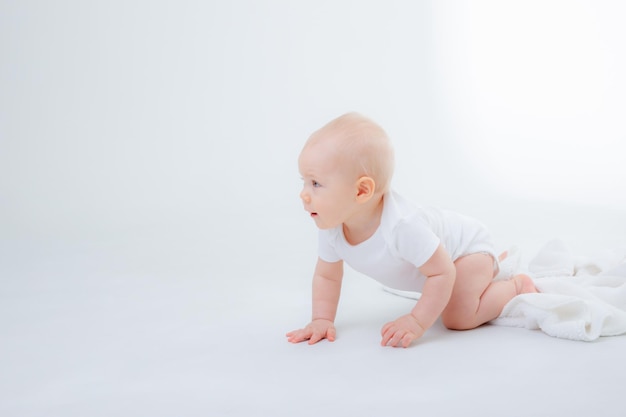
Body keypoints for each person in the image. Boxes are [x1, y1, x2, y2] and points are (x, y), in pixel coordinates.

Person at [286, 112, 538, 348]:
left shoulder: (402, 226)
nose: (304, 194)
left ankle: (515, 285)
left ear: (361, 191)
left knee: (457, 317)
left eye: (316, 183)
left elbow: (442, 272)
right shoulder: (332, 225)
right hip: (441, 264)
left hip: (466, 253)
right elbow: (327, 276)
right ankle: (486, 277)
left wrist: (416, 321)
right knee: (445, 297)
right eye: (305, 182)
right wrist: (321, 319)